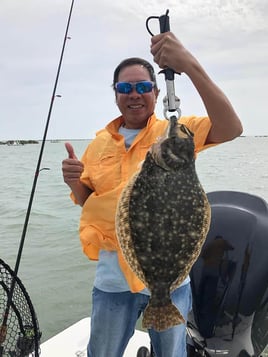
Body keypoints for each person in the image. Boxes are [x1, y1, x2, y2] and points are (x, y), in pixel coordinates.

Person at [62, 31, 243, 357]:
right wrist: (75, 181)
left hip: (171, 285)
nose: (135, 94)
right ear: (115, 94)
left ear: (157, 92)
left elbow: (231, 128)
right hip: (113, 281)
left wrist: (188, 65)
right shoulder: (98, 144)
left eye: (143, 87)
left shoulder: (176, 131)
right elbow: (91, 202)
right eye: (125, 88)